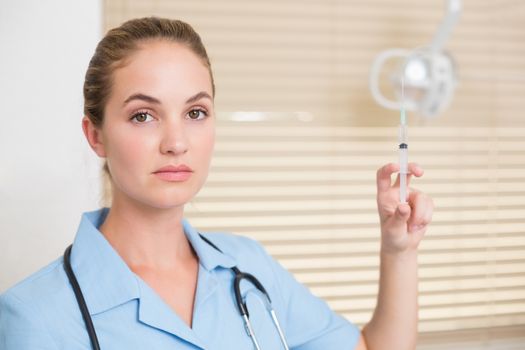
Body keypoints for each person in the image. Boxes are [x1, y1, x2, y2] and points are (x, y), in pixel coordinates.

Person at [0, 17, 433, 349]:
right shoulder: (34, 317)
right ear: (96, 135)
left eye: (195, 113)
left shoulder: (250, 267)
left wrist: (399, 251)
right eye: (143, 115)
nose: (176, 142)